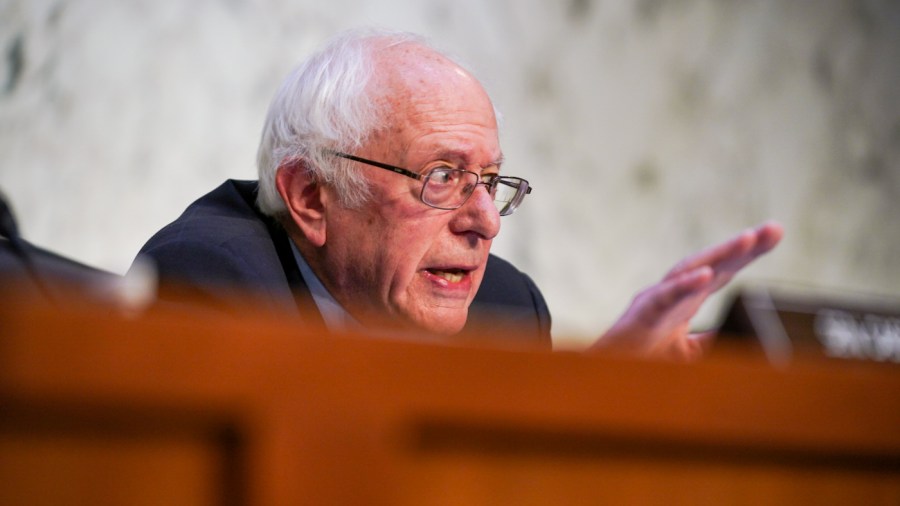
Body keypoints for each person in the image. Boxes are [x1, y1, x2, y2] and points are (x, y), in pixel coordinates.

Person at [135, 28, 783, 359]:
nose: (485, 223)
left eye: (490, 182)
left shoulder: (506, 308)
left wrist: (605, 392)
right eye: (442, 176)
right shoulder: (214, 281)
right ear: (311, 196)